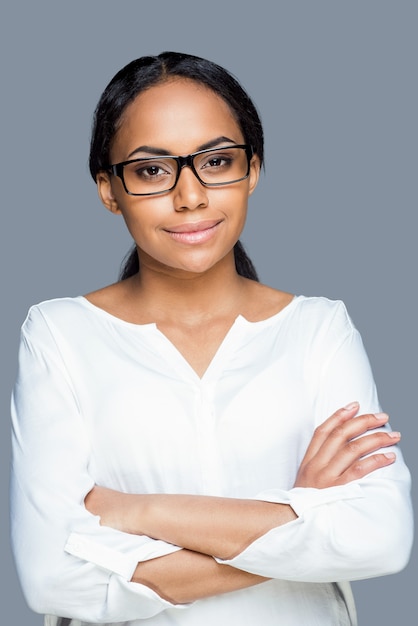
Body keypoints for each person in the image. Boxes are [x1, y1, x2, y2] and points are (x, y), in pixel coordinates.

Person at [10, 51, 412, 626]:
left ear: (252, 170)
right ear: (107, 189)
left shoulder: (319, 329)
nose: (191, 196)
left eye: (217, 161)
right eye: (151, 171)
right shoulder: (59, 335)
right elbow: (53, 580)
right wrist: (296, 519)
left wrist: (131, 511)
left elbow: (381, 539)